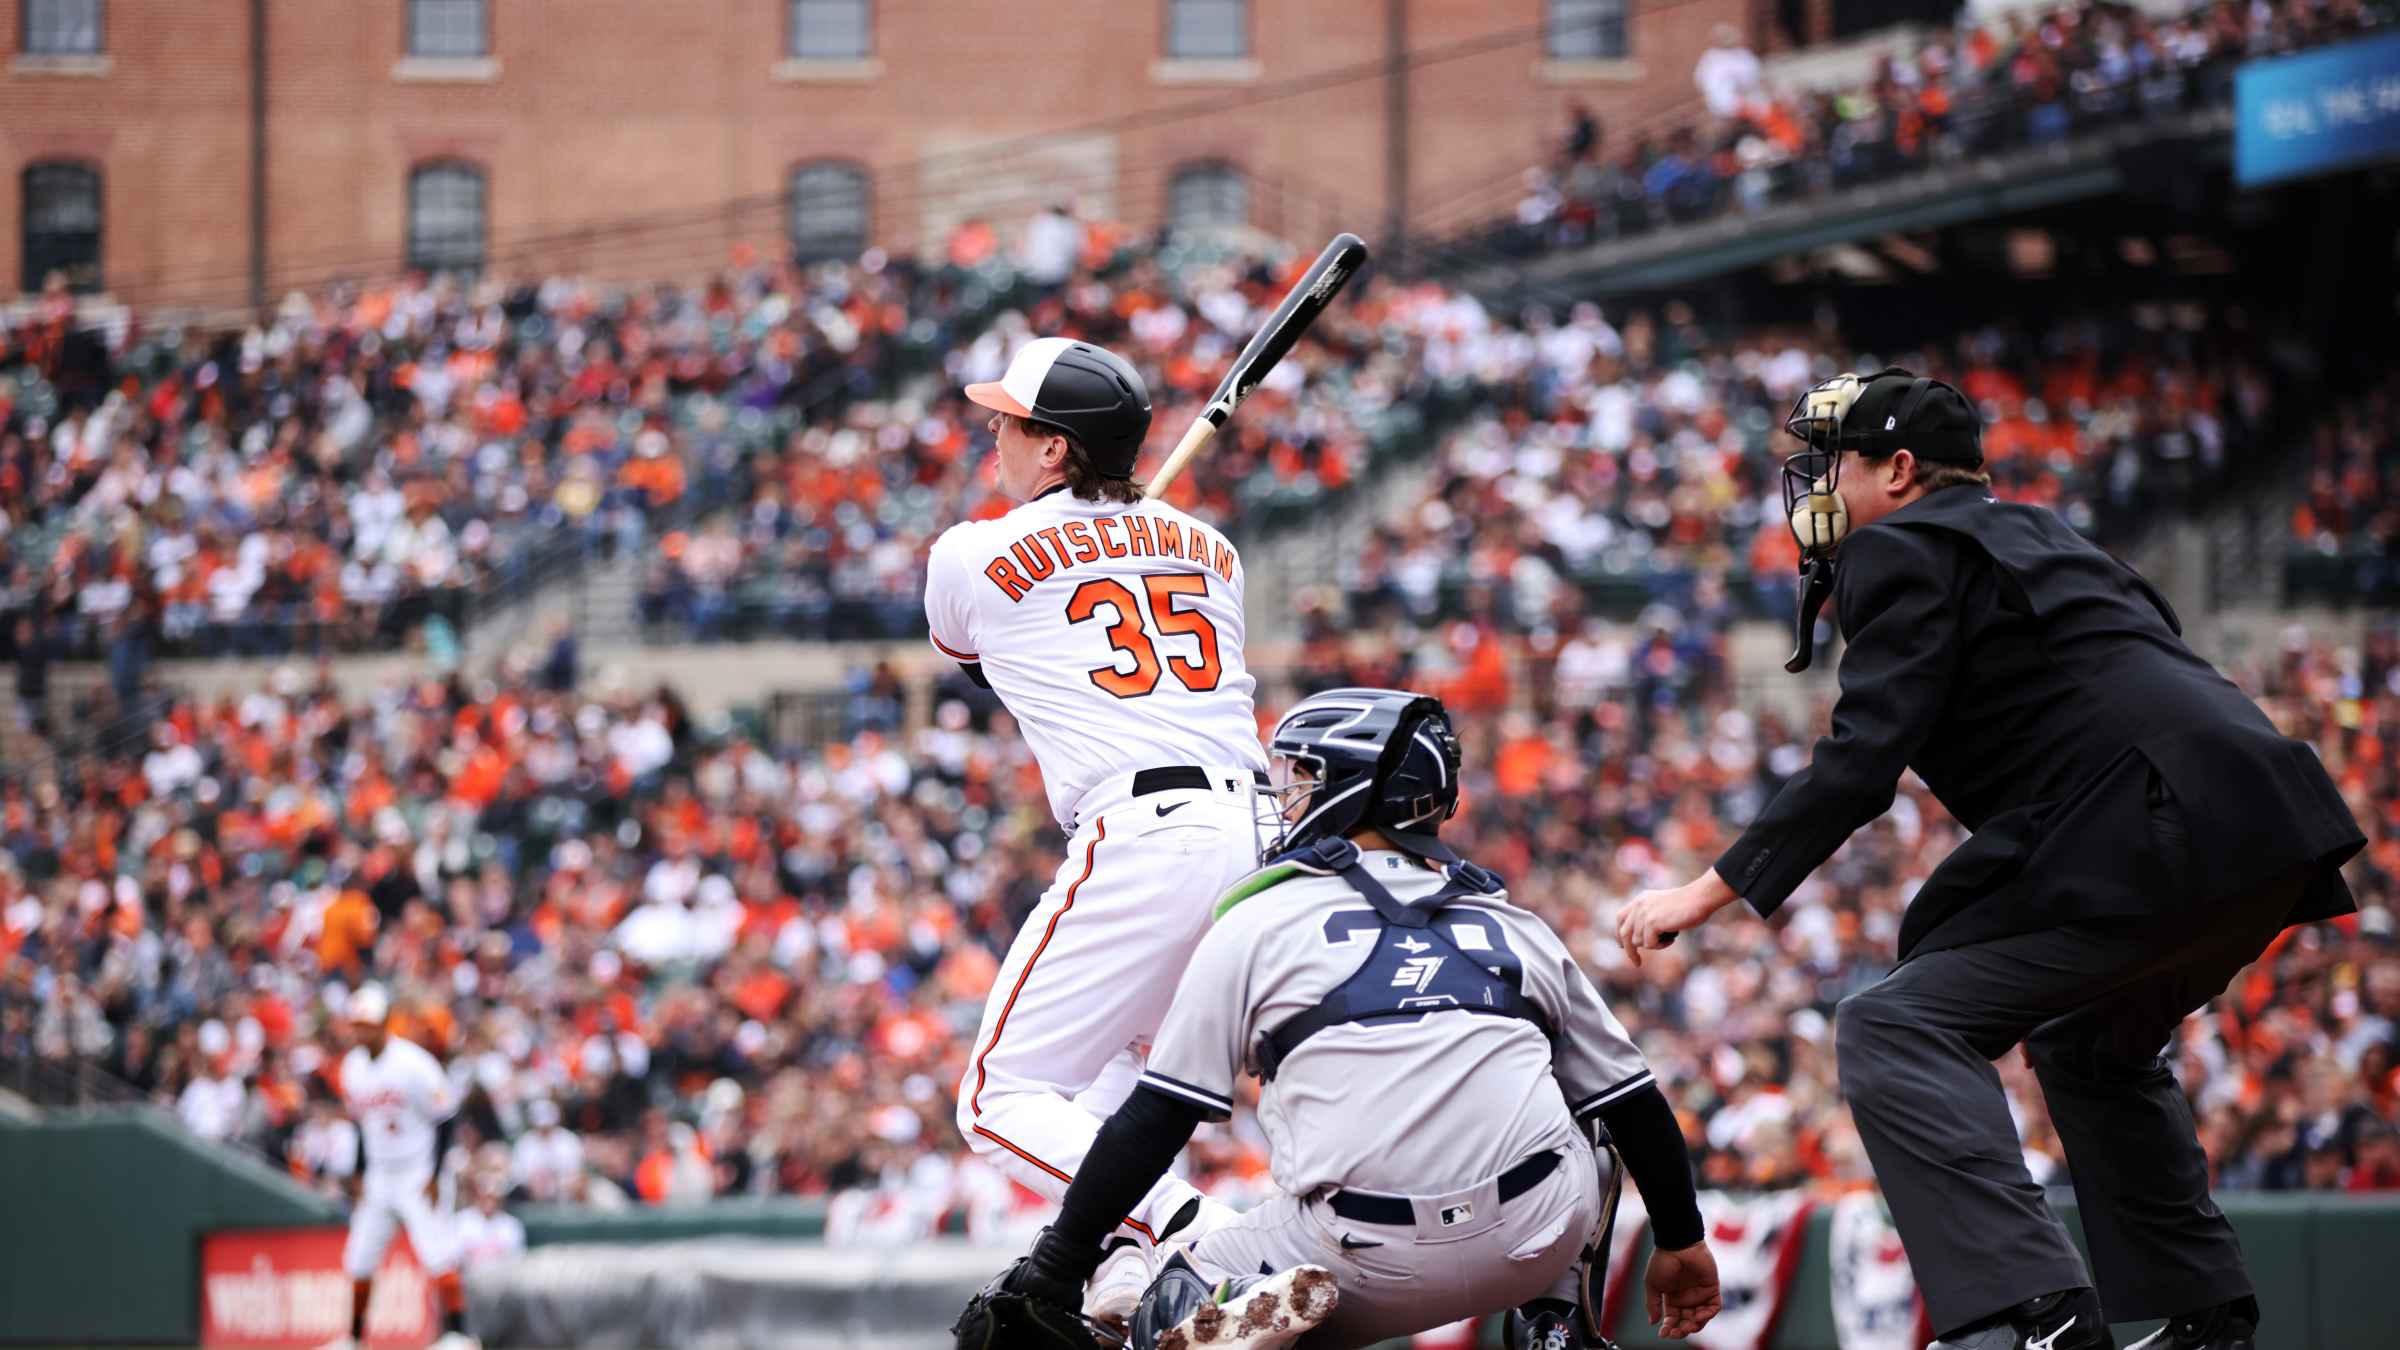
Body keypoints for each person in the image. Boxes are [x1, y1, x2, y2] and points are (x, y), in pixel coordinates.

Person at [1613, 369, 2364, 1350]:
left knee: (1891, 1022)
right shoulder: (2049, 532)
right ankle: (2208, 1318)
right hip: (2260, 821)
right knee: (2086, 1041)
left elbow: (1861, 762)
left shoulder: (1898, 545)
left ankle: (2036, 1313)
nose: (1821, 489)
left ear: (1900, 468)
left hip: (2149, 826)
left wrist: (1705, 891)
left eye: (1836, 464)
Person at [961, 689, 1720, 1350]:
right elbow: (1636, 1105)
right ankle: (1557, 1324)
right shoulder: (1512, 922)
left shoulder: (1256, 921)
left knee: (1173, 1295)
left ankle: (1245, 1317)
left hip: (1362, 1258)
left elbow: (1156, 1118)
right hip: (1534, 1235)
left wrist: (1058, 1263)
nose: (1283, 794)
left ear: (1351, 791)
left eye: (1302, 775)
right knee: (1589, 1115)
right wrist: (1682, 1244)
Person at [928, 338, 1272, 1319]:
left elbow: (973, 654)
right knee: (1125, 1068)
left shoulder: (971, 552)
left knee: (995, 1097)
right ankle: (1131, 1270)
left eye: (1011, 422)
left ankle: (1182, 1230)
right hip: (1260, 837)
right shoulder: (1215, 548)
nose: (994, 434)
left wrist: (1078, 547)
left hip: (1150, 830)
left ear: (1054, 450)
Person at [318, 985, 475, 1350]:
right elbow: (361, 1125)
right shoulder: (353, 1068)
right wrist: (358, 1173)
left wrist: (436, 1175)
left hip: (418, 1169)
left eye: (367, 1024)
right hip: (379, 1173)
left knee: (438, 1252)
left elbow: (446, 1118)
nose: (360, 1031)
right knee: (359, 1257)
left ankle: (460, 1335)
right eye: (356, 1024)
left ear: (385, 1023)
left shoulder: (414, 1063)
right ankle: (354, 1339)